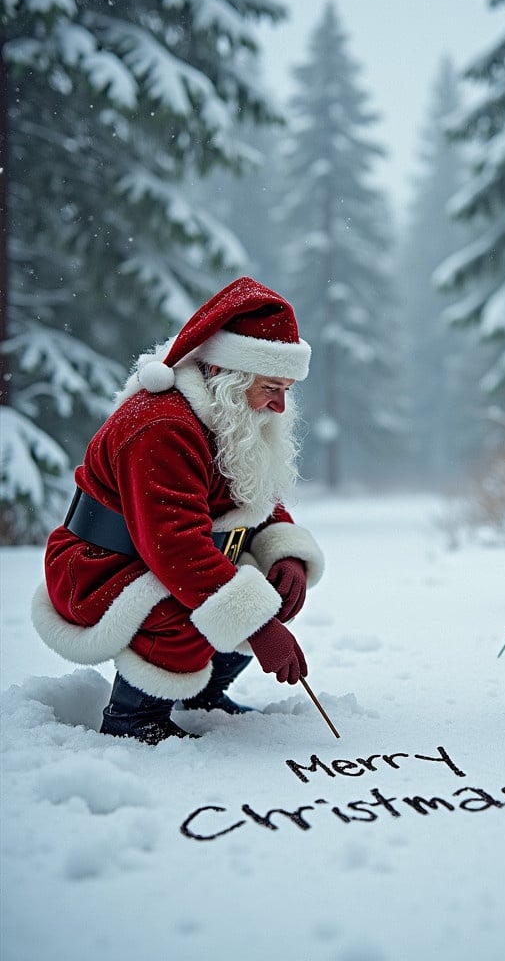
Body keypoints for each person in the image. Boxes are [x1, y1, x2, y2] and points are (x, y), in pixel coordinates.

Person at [31, 277, 325, 744]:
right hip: (99, 567)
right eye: (272, 386)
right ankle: (134, 719)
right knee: (188, 606)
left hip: (154, 556)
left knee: (253, 590)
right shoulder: (162, 427)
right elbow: (176, 548)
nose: (280, 403)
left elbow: (252, 493)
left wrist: (282, 551)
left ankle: (203, 693)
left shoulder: (229, 416)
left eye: (286, 388)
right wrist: (258, 624)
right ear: (229, 376)